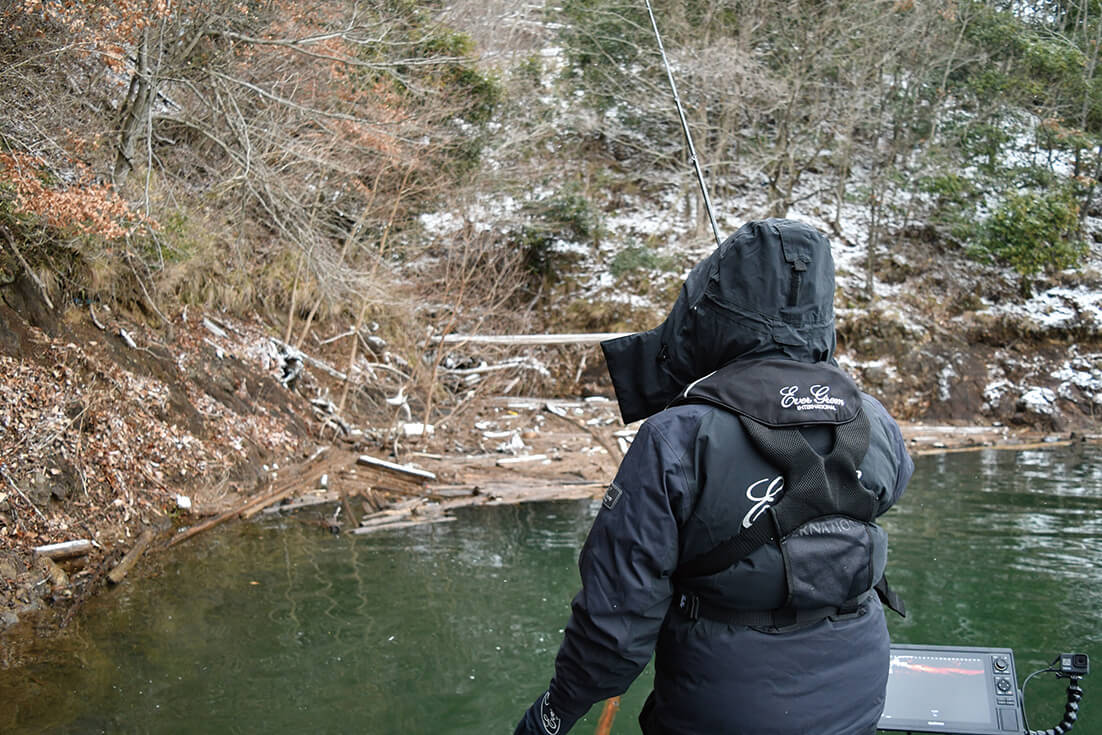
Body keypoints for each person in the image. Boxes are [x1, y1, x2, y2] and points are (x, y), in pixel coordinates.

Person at [513, 219, 914, 735]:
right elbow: (890, 488)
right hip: (856, 697)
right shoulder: (875, 420)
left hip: (722, 713)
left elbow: (616, 623)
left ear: (712, 314)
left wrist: (552, 714)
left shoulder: (677, 436)